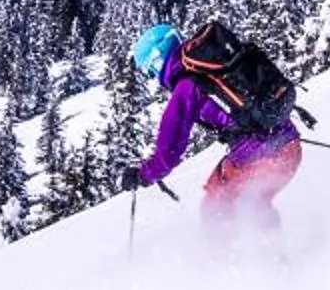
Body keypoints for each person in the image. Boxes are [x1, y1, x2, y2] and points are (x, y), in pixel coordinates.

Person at [119, 22, 305, 233]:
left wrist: (143, 175)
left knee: (218, 208)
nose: (154, 78)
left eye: (150, 71)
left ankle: (238, 263)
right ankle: (272, 257)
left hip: (263, 160)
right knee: (243, 200)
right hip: (289, 145)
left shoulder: (187, 86)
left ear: (157, 60)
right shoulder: (216, 64)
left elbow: (169, 151)